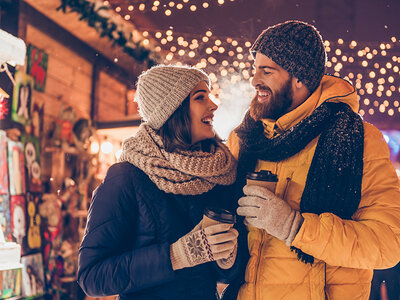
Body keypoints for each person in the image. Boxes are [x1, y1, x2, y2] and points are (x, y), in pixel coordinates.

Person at [226, 20, 400, 299]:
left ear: (299, 78)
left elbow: (388, 243)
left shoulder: (358, 139)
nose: (255, 79)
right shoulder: (245, 139)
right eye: (254, 69)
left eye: (267, 71)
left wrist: (296, 227)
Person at [78, 65, 241, 300]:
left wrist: (228, 259)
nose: (213, 105)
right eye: (200, 97)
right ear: (173, 110)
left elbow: (225, 277)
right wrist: (175, 255)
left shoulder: (219, 174)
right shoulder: (127, 177)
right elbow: (92, 278)